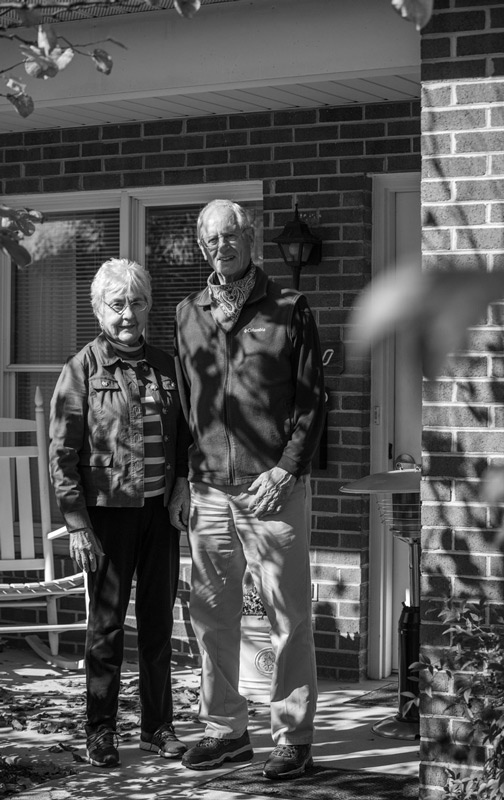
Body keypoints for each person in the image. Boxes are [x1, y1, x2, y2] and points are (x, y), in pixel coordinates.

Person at [171, 199, 325, 780]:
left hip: (274, 490)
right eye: (212, 240)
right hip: (209, 490)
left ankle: (293, 738)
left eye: (231, 235)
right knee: (211, 614)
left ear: (251, 237)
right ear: (203, 247)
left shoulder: (289, 308)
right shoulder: (189, 313)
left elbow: (312, 400)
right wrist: (185, 478)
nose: (222, 247)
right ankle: (226, 729)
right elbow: (188, 406)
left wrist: (286, 468)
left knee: (288, 618)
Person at [49, 258, 191, 769]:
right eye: (117, 304)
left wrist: (180, 486)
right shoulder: (81, 368)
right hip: (106, 515)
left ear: (148, 305)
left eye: (137, 302)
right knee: (106, 628)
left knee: (158, 624)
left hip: (159, 515)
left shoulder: (168, 365)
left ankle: (157, 728)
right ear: (98, 310)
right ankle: (101, 731)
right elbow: (61, 454)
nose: (128, 313)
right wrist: (76, 523)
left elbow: (184, 439)